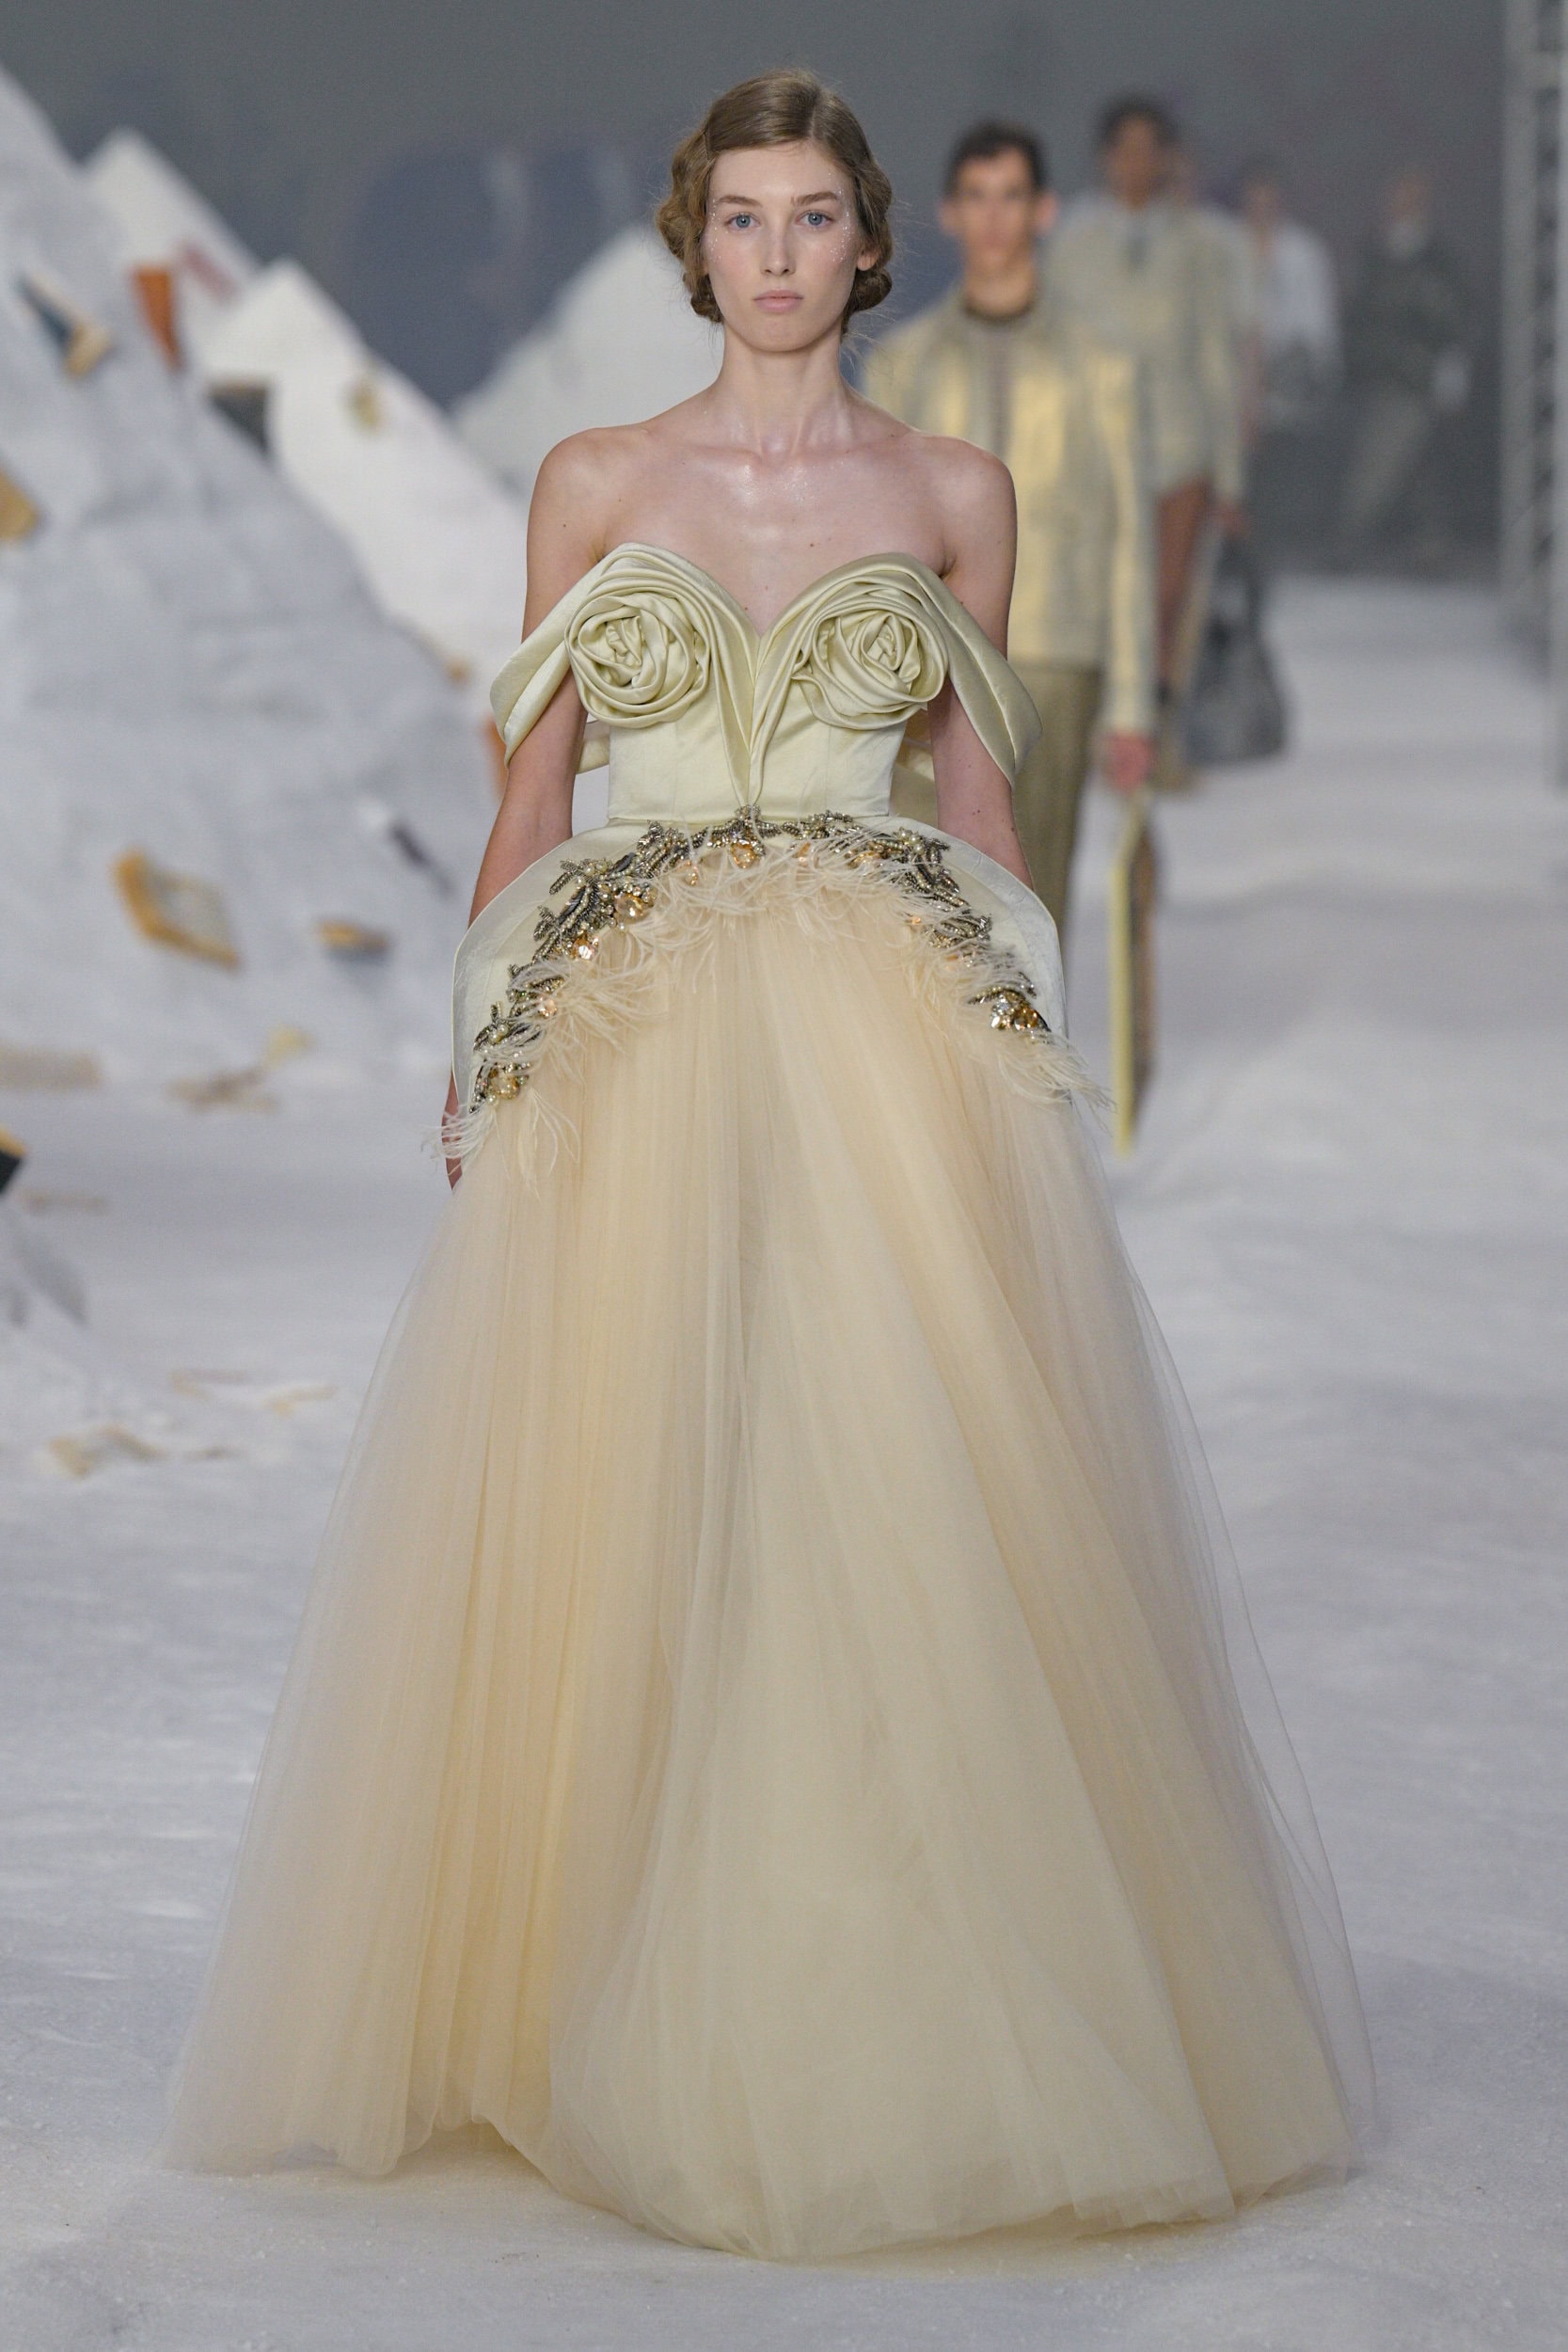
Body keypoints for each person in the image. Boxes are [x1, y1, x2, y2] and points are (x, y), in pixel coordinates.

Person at [161, 68, 1371, 2264]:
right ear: (692, 242)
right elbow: (530, 791)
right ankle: (582, 1967)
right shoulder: (596, 476)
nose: (779, 254)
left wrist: (1026, 1056)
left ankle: (883, 1975)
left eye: (814, 217)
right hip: (629, 1025)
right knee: (628, 1483)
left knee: (872, 1473)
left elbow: (974, 801)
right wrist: (479, 1046)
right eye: (743, 218)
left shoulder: (951, 488)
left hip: (880, 1024)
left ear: (868, 242)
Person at [863, 121, 1153, 945]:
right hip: (930, 664)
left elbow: (1130, 539)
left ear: (1043, 210)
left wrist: (1132, 705)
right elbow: (874, 533)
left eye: (1011, 197)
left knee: (1033, 900)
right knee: (923, 905)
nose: (993, 218)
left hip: (1055, 654)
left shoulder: (1104, 366)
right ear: (950, 212)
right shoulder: (902, 365)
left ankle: (1032, 1036)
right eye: (976, 197)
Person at [1048, 97, 1246, 707]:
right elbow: (1052, 355)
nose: (1136, 163)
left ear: (1166, 159)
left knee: (1169, 599)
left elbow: (1216, 357)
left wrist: (1230, 478)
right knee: (1104, 597)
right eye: (1124, 149)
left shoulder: (1198, 246)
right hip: (1096, 448)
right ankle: (1109, 723)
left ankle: (1159, 728)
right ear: (1105, 157)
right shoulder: (1072, 244)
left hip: (1179, 447)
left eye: (1148, 150)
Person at [1336, 166, 1472, 569]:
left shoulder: (1440, 259)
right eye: (1399, 197)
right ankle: (1359, 539)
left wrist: (1452, 371)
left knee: (1418, 463)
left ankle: (1423, 546)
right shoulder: (1373, 255)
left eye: (1413, 198)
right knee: (1384, 459)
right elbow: (1357, 314)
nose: (1404, 206)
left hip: (1419, 378)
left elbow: (1456, 319)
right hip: (1377, 375)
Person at [1235, 160, 1340, 563]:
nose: (1261, 209)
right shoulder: (1226, 245)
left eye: (1268, 200)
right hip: (1235, 379)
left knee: (1272, 476)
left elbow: (1317, 325)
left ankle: (1264, 555)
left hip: (1285, 380)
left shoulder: (1303, 252)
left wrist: (1310, 374)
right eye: (1254, 201)